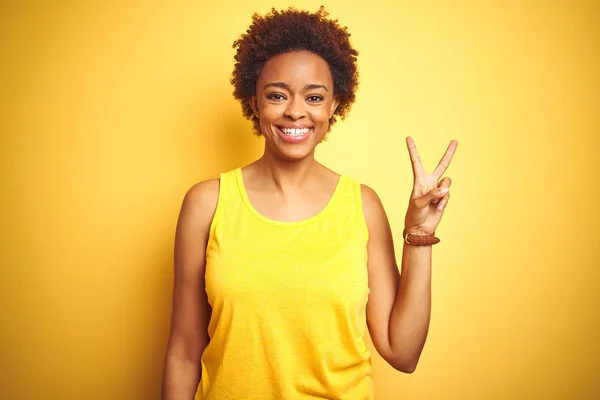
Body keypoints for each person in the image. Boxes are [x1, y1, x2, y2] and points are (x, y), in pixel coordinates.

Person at [162, 6, 458, 400]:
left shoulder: (362, 206)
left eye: (314, 96)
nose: (295, 111)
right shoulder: (207, 203)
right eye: (277, 95)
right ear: (254, 102)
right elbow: (184, 353)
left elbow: (402, 352)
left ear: (334, 105)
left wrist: (419, 234)